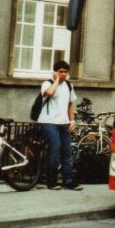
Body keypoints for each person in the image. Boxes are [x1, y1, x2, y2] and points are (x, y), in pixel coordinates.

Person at [39, 60, 82, 190]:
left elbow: (70, 104)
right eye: (60, 72)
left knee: (67, 152)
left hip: (64, 123)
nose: (63, 74)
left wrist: (72, 120)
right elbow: (49, 93)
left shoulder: (69, 86)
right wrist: (56, 80)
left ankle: (68, 180)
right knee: (55, 149)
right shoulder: (47, 84)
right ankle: (51, 181)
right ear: (55, 72)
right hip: (49, 122)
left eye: (65, 72)